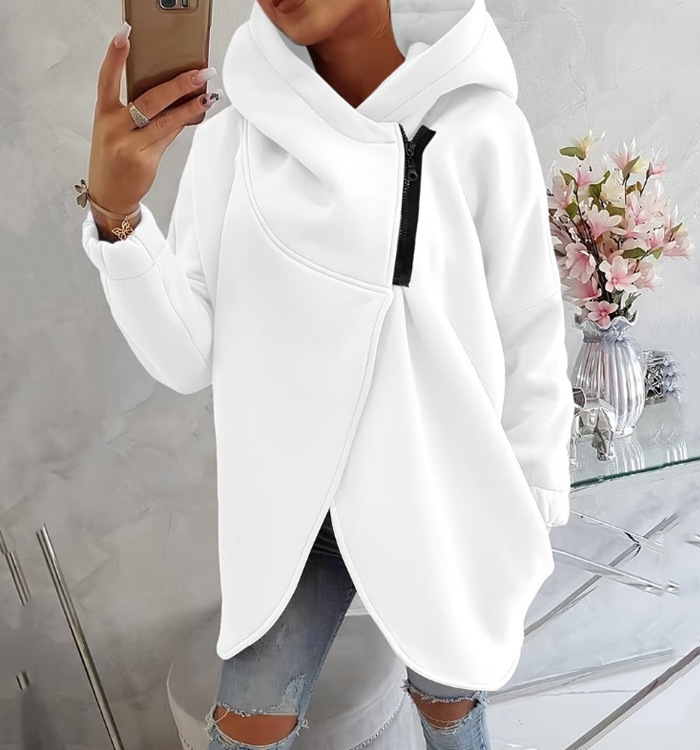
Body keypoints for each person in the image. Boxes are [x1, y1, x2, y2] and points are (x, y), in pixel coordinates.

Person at [79, 0, 574, 747]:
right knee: (248, 725)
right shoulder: (235, 140)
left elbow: (527, 326)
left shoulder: (478, 125)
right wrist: (118, 221)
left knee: (448, 700)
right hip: (296, 514)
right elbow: (185, 358)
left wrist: (532, 499)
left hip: (439, 494)